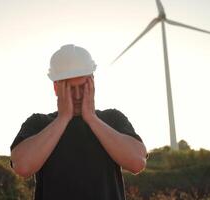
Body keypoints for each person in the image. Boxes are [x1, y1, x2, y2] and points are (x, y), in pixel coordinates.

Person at [10, 44, 148, 200]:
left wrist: (91, 118)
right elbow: (22, 166)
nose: (77, 96)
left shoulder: (113, 119)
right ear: (56, 88)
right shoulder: (38, 123)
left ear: (92, 82)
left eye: (82, 87)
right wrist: (63, 118)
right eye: (70, 88)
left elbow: (137, 163)